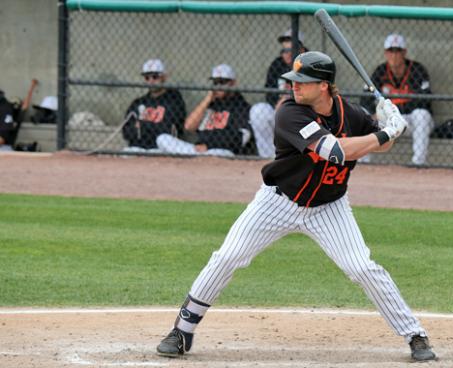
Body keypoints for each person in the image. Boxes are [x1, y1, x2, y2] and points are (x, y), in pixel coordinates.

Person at [155, 51, 437, 362]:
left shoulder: (351, 114)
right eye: (294, 81)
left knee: (362, 267)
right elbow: (334, 151)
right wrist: (385, 132)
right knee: (228, 256)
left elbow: (381, 143)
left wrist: (390, 123)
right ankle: (181, 331)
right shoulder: (290, 113)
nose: (295, 87)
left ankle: (415, 335)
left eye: (304, 82)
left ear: (325, 86)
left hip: (329, 207)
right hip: (278, 202)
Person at [360, 34, 434, 166]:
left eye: (397, 51)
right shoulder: (380, 71)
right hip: (386, 120)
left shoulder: (417, 70)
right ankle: (363, 162)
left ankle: (419, 163)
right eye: (390, 51)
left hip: (409, 121)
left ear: (404, 52)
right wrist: (375, 114)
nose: (394, 55)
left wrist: (396, 110)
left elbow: (425, 100)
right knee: (363, 114)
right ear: (385, 53)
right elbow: (365, 98)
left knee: (421, 115)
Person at [156, 64, 253, 156]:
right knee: (162, 139)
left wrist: (209, 146)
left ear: (233, 84)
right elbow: (189, 127)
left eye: (222, 82)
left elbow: (242, 138)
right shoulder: (210, 104)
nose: (218, 86)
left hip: (221, 150)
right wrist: (207, 99)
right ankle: (196, 159)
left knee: (218, 153)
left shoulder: (241, 106)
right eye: (215, 82)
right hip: (197, 150)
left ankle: (195, 160)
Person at [249, 28, 307, 158]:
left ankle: (304, 157)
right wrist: (277, 104)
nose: (286, 54)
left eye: (289, 50)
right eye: (283, 51)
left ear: (301, 50)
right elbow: (269, 93)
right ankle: (269, 156)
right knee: (259, 110)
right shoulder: (277, 64)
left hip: (305, 113)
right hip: (279, 110)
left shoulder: (311, 64)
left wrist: (288, 100)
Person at [122, 58, 186, 152]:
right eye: (147, 77)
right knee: (127, 151)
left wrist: (141, 126)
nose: (151, 81)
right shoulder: (138, 102)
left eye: (155, 76)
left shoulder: (174, 98)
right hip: (138, 148)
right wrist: (154, 126)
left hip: (160, 148)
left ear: (164, 77)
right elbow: (126, 132)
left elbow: (170, 130)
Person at [0, 79, 38, 151]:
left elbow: (2, 140)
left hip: (5, 148)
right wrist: (32, 87)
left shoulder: (10, 114)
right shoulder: (16, 116)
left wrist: (32, 86)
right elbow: (25, 105)